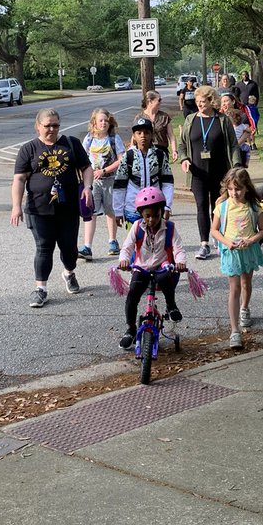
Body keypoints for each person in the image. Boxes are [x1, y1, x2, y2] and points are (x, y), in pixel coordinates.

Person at [10, 109, 93, 308]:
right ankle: (41, 289)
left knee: (69, 249)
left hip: (68, 207)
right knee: (44, 248)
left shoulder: (71, 143)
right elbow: (19, 179)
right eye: (47, 125)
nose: (51, 129)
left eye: (55, 125)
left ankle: (69, 272)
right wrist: (16, 206)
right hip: (38, 209)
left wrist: (88, 188)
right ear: (37, 126)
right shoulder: (29, 149)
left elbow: (86, 168)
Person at [116, 186, 188, 350]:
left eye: (156, 215)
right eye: (147, 216)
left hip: (162, 266)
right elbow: (127, 248)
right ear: (141, 213)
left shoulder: (169, 227)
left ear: (162, 212)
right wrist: (124, 260)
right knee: (132, 295)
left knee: (164, 277)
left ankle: (171, 306)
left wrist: (180, 261)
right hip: (141, 267)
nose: (151, 220)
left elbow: (178, 249)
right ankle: (130, 329)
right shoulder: (136, 227)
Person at [178, 84, 243, 260]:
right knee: (201, 206)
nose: (199, 104)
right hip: (197, 172)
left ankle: (220, 240)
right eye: (197, 101)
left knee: (218, 207)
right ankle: (204, 243)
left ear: (211, 101)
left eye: (203, 101)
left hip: (219, 171)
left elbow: (234, 144)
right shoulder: (191, 119)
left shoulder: (222, 120)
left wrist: (236, 166)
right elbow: (182, 144)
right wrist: (184, 159)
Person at [210, 167, 263, 348]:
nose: (235, 193)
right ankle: (234, 331)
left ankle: (244, 307)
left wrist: (251, 240)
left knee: (246, 283)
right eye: (231, 189)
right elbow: (214, 230)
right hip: (231, 252)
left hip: (248, 250)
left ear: (247, 188)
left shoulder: (254, 206)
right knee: (234, 288)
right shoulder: (222, 207)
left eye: (239, 189)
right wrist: (226, 242)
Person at [79, 108, 126, 261]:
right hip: (93, 182)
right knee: (90, 212)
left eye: (106, 120)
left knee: (110, 211)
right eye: (101, 120)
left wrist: (104, 170)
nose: (104, 123)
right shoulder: (89, 139)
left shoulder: (114, 138)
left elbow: (121, 160)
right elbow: (82, 158)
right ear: (94, 123)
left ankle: (112, 241)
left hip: (110, 180)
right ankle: (87, 246)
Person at [112, 117, 175, 225]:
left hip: (155, 209)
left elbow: (167, 182)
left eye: (146, 133)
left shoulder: (160, 155)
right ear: (134, 136)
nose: (143, 136)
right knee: (136, 239)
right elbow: (119, 185)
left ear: (152, 135)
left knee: (155, 240)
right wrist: (118, 211)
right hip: (133, 209)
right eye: (139, 133)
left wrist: (167, 206)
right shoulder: (128, 156)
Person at [135, 90, 178, 163]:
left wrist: (174, 150)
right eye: (159, 100)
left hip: (161, 151)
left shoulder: (164, 117)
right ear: (150, 101)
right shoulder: (139, 118)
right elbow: (134, 137)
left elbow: (171, 136)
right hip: (144, 151)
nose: (161, 102)